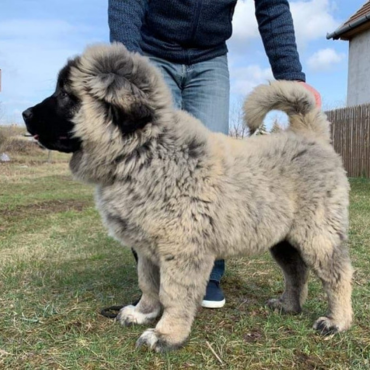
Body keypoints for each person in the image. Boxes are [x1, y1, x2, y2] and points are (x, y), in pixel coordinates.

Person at [108, 0, 321, 309]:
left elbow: (272, 5)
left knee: (210, 173)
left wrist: (291, 74)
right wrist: (128, 62)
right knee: (149, 169)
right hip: (150, 49)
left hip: (209, 58)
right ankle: (153, 288)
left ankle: (207, 276)